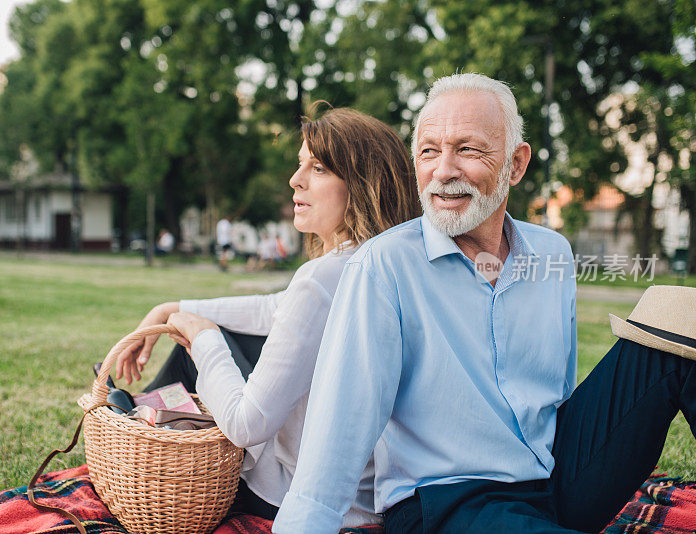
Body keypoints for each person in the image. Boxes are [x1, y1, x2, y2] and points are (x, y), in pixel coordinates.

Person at [273, 73, 696, 534]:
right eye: (429, 151)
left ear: (516, 165)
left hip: (553, 477)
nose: (443, 170)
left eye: (468, 150)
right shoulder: (384, 266)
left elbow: (562, 394)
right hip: (448, 501)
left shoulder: (551, 253)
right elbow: (339, 429)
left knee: (674, 328)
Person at [114, 107, 421, 525]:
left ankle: (137, 434)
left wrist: (204, 337)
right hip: (370, 495)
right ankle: (140, 417)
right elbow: (275, 308)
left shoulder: (322, 278)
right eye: (300, 165)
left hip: (295, 493)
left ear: (364, 186)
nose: (296, 181)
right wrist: (175, 310)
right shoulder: (385, 265)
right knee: (223, 338)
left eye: (318, 168)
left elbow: (247, 424)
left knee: (200, 352)